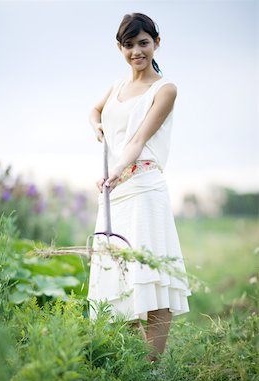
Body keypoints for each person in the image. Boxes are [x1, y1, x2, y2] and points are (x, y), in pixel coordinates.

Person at [87, 12, 192, 362]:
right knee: (120, 283)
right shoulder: (116, 87)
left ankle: (153, 371)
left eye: (143, 43)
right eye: (129, 45)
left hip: (144, 188)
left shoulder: (165, 89)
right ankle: (134, 369)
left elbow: (138, 140)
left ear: (156, 43)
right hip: (114, 193)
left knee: (154, 279)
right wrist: (97, 127)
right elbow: (95, 110)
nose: (137, 51)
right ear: (120, 48)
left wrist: (116, 169)